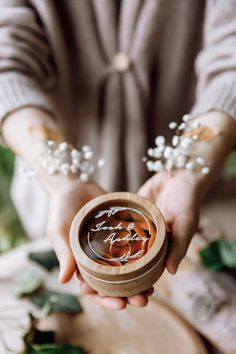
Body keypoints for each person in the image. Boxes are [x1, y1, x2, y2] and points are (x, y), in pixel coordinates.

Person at [0, 0, 236, 310]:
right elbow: (7, 67)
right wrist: (62, 179)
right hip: (53, 197)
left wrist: (185, 174)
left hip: (200, 203)